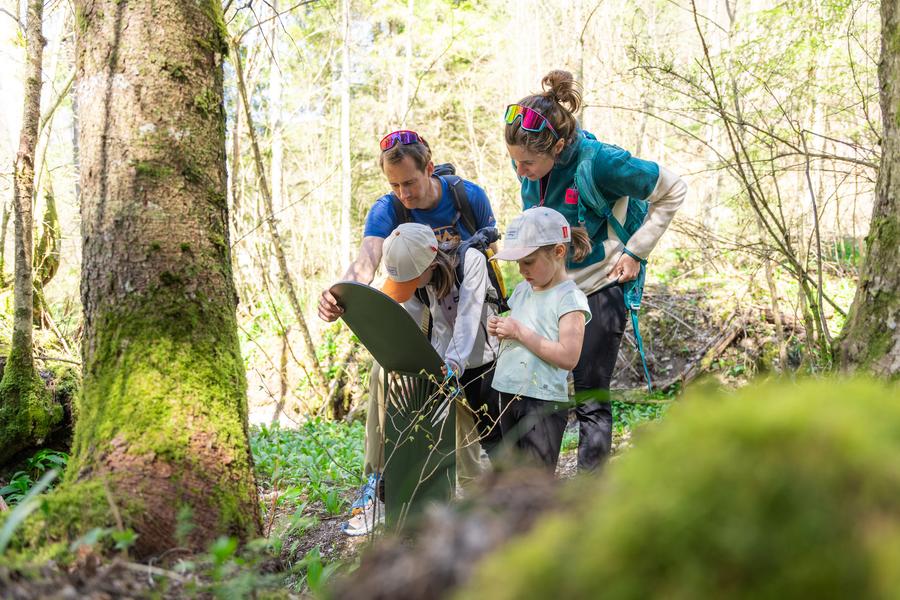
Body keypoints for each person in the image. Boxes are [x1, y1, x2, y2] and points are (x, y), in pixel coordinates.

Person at [504, 70, 687, 470]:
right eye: (514, 162)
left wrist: (636, 252)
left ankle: (589, 499)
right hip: (550, 294)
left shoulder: (601, 162)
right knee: (538, 395)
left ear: (558, 144)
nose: (520, 172)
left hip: (599, 288)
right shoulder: (531, 170)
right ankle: (536, 494)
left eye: (528, 163)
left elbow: (673, 189)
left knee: (590, 399)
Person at [317, 130, 498, 534]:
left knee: (458, 388)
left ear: (429, 169)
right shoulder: (388, 209)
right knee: (388, 370)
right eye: (394, 185)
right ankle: (378, 482)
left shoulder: (468, 197)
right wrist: (339, 294)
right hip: (420, 298)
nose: (403, 194)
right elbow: (368, 259)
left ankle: (473, 486)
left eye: (409, 183)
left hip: (470, 301)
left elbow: (491, 258)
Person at [341, 223, 504, 535]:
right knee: (452, 443)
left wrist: (453, 366)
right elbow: (415, 327)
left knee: (476, 451)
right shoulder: (416, 285)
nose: (409, 286)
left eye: (412, 279)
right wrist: (422, 365)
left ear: (432, 263)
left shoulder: (471, 261)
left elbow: (469, 319)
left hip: (480, 366)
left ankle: (488, 519)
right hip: (443, 367)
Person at [488, 207, 592, 469]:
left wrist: (518, 332)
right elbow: (520, 334)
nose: (522, 270)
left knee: (535, 485)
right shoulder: (524, 289)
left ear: (558, 252)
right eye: (518, 263)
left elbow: (569, 357)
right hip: (508, 392)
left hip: (542, 401)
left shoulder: (570, 298)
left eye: (529, 261)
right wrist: (502, 329)